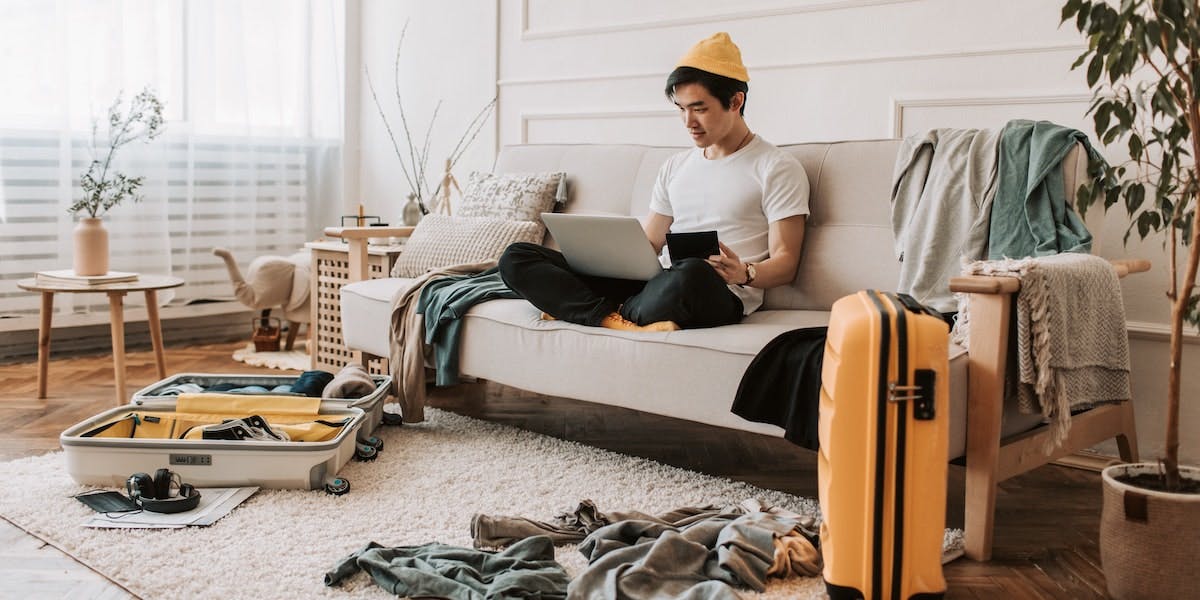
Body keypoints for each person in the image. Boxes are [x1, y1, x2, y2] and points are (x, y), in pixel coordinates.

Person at [499, 32, 809, 331]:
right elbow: (649, 244)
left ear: (735, 101)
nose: (689, 122)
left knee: (693, 272)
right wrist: (602, 257)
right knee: (517, 256)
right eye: (682, 109)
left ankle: (588, 309)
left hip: (714, 291)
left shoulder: (776, 167)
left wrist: (745, 273)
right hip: (655, 284)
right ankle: (613, 318)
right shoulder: (676, 166)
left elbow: (786, 261)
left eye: (699, 109)